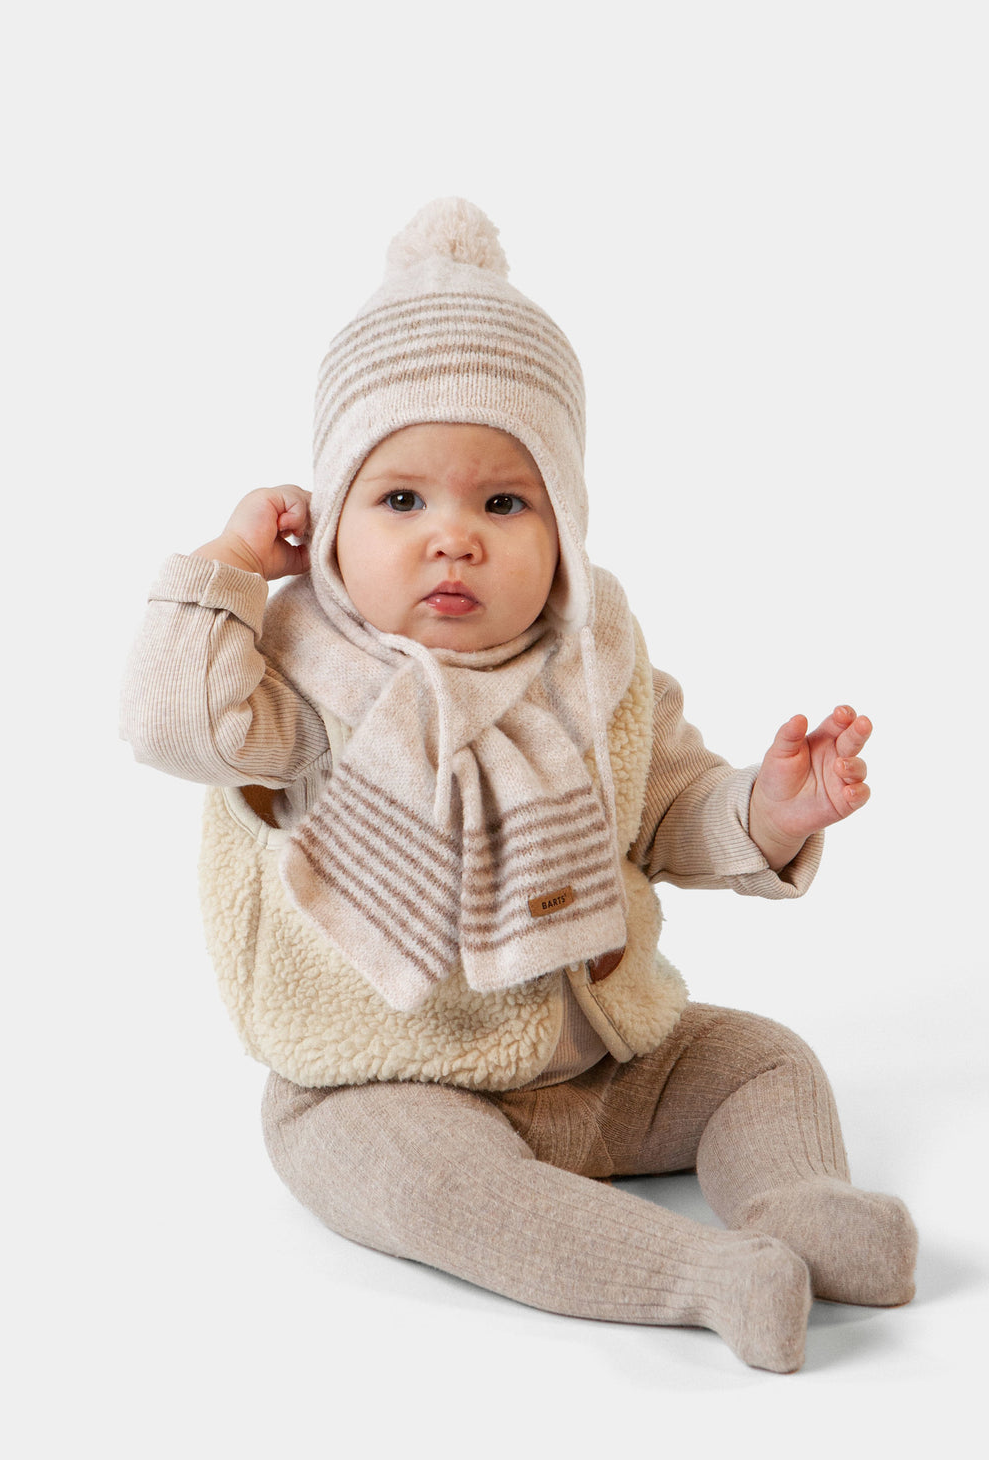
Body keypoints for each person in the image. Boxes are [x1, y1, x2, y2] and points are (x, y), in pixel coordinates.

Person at [121, 198, 917, 1373]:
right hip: (378, 1083)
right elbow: (165, 723)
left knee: (763, 1058)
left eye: (503, 502)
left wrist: (767, 809)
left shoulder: (594, 659)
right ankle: (703, 1277)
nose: (454, 537)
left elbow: (666, 807)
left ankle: (797, 1204)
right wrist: (230, 566)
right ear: (329, 521)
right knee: (438, 1188)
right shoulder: (296, 673)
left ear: (565, 526)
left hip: (601, 1061)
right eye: (401, 499)